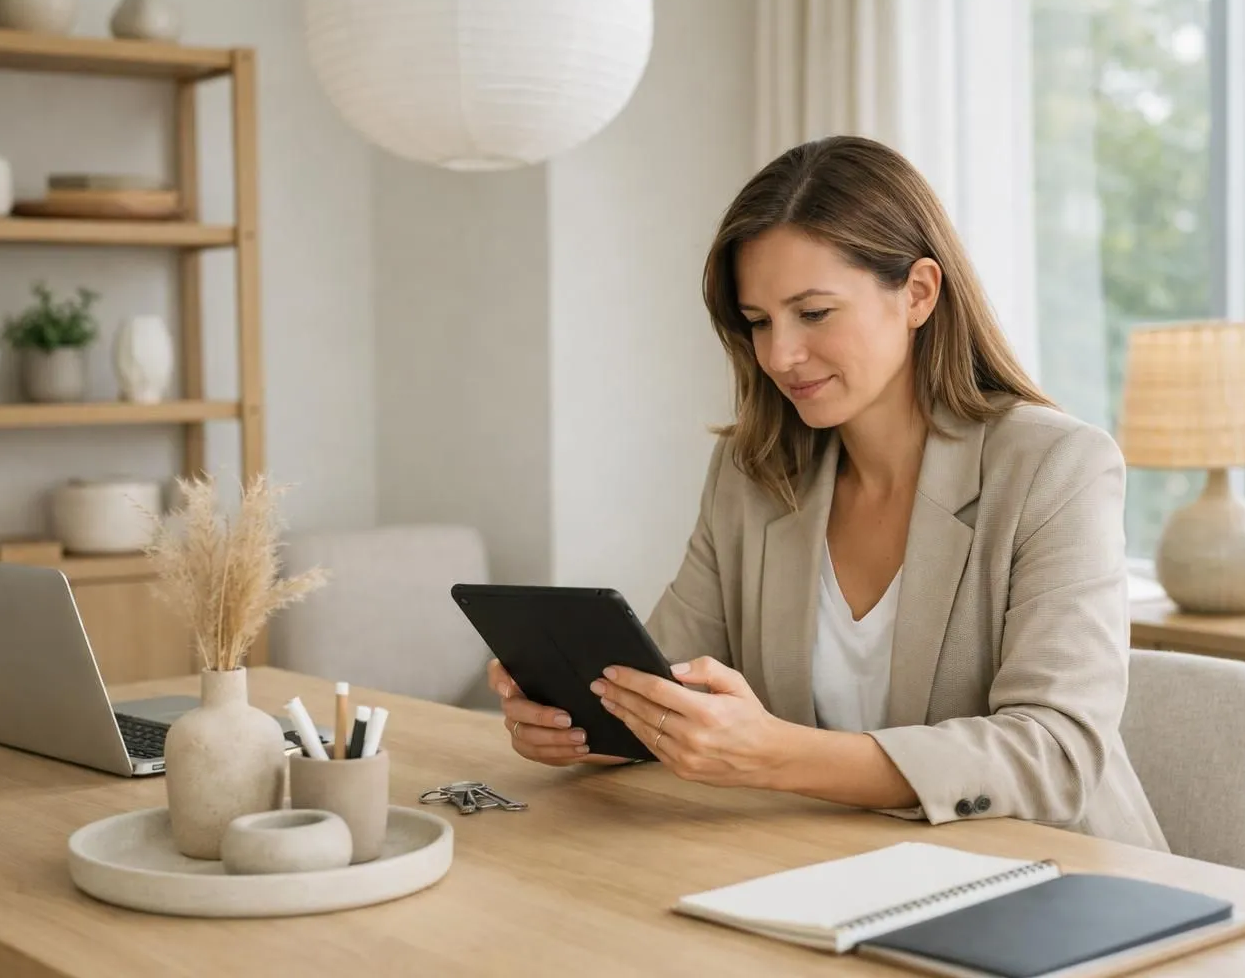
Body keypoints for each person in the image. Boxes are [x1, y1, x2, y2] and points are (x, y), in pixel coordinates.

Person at [487, 135, 1168, 851]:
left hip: (1052, 883)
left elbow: (1055, 753)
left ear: (917, 293)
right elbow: (670, 688)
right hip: (832, 868)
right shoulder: (752, 474)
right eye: (757, 322)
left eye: (813, 313)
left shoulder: (1056, 467)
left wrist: (778, 756)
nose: (779, 354)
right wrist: (587, 722)